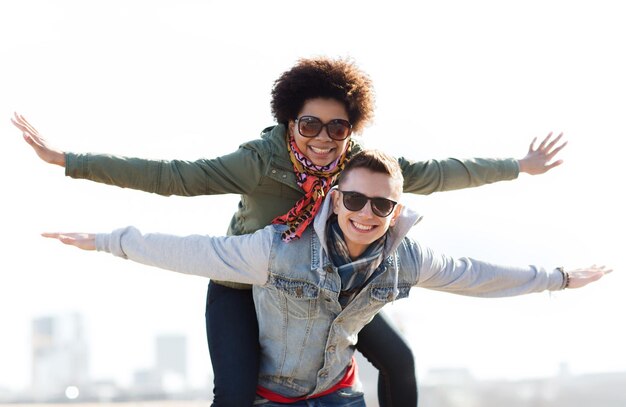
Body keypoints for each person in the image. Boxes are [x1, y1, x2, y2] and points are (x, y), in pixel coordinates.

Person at [13, 56, 567, 406]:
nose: (324, 139)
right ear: (289, 124)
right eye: (309, 125)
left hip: (324, 284)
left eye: (337, 127)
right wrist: (67, 159)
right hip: (247, 280)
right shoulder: (259, 161)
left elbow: (439, 173)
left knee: (399, 361)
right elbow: (172, 178)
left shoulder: (361, 168)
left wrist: (519, 166)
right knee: (234, 394)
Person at [43, 149, 609, 406]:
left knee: (399, 361)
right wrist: (107, 241)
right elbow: (192, 250)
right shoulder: (276, 249)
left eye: (381, 206)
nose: (367, 213)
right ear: (335, 199)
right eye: (356, 200)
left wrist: (558, 277)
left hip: (337, 397)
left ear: (395, 210)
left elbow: (476, 275)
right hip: (270, 398)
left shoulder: (403, 259)